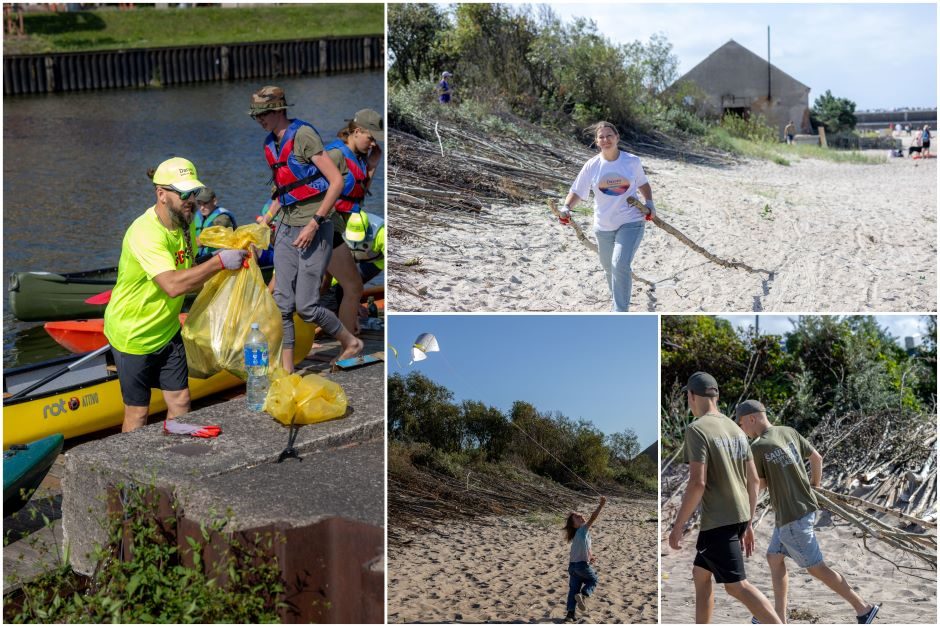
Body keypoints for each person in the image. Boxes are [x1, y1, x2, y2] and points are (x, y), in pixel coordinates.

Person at [103, 157, 248, 433]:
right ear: (161, 194)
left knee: (181, 400)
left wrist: (227, 270)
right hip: (133, 334)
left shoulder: (185, 226)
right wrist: (218, 263)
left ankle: (173, 458)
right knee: (138, 413)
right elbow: (172, 285)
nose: (190, 200)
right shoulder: (144, 233)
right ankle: (129, 470)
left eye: (193, 193)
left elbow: (191, 276)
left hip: (168, 330)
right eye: (183, 193)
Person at [735, 401, 881, 624]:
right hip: (803, 509)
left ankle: (863, 608)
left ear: (752, 418)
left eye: (741, 422)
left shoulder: (758, 446)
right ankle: (779, 618)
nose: (741, 427)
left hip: (792, 517)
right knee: (774, 558)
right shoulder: (788, 431)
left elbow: (759, 484)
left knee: (817, 568)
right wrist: (815, 486)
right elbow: (817, 458)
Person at [250, 85, 362, 371]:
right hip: (287, 227)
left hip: (314, 226)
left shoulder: (303, 136)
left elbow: (336, 182)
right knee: (282, 304)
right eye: (257, 115)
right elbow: (283, 189)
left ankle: (351, 342)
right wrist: (266, 221)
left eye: (263, 113)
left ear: (278, 111)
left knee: (307, 306)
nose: (259, 119)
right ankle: (287, 372)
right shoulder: (268, 145)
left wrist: (315, 223)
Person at [668, 372, 781, 624]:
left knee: (737, 586)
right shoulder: (736, 428)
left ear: (692, 396)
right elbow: (753, 481)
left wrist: (678, 526)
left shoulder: (696, 429)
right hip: (738, 516)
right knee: (700, 574)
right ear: (716, 396)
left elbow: (698, 483)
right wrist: (749, 522)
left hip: (719, 521)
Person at [561, 121, 654, 312]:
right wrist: (566, 207)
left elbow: (643, 184)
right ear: (596, 141)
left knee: (619, 263)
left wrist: (649, 203)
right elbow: (577, 190)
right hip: (603, 225)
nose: (606, 140)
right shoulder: (592, 165)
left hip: (631, 221)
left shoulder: (632, 161)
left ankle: (620, 311)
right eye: (601, 137)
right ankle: (617, 300)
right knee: (608, 267)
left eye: (609, 135)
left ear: (617, 137)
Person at [321, 108, 384, 333]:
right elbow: (312, 190)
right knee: (351, 286)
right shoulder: (335, 155)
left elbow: (359, 194)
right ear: (357, 131)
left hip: (338, 227)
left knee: (328, 285)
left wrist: (373, 164)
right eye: (371, 138)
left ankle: (342, 338)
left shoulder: (359, 158)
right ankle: (346, 342)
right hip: (325, 226)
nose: (374, 144)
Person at [563, 495, 607, 622]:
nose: (581, 516)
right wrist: (601, 505)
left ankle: (570, 615)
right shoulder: (582, 530)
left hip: (573, 567)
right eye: (577, 517)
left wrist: (590, 557)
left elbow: (584, 548)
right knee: (593, 580)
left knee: (573, 590)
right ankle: (584, 595)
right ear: (574, 525)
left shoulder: (582, 534)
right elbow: (593, 517)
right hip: (580, 566)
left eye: (581, 515)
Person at [193, 187, 238, 260]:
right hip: (201, 256)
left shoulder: (222, 219)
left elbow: (204, 240)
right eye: (199, 204)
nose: (202, 208)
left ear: (214, 201)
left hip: (220, 257)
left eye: (205, 203)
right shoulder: (198, 216)